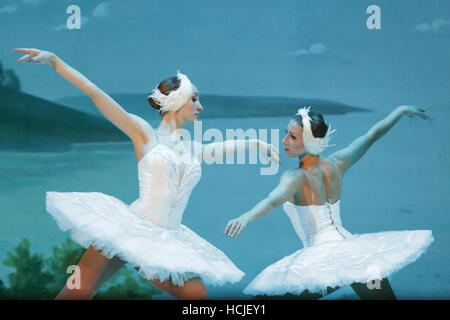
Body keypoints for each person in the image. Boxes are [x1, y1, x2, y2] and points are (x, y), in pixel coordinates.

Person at [14, 48, 280, 300]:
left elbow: (217, 149)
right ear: (177, 99)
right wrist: (55, 61)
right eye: (195, 98)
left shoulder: (191, 147)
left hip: (167, 237)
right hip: (130, 226)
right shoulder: (144, 133)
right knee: (77, 292)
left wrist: (255, 143)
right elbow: (95, 92)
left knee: (195, 295)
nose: (200, 106)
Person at [224, 106, 434, 299]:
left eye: (293, 136)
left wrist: (244, 217)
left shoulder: (295, 177)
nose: (284, 140)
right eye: (286, 133)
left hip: (324, 259)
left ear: (310, 142)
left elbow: (271, 202)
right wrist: (400, 111)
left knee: (261, 300)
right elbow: (371, 135)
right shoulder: (338, 162)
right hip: (357, 253)